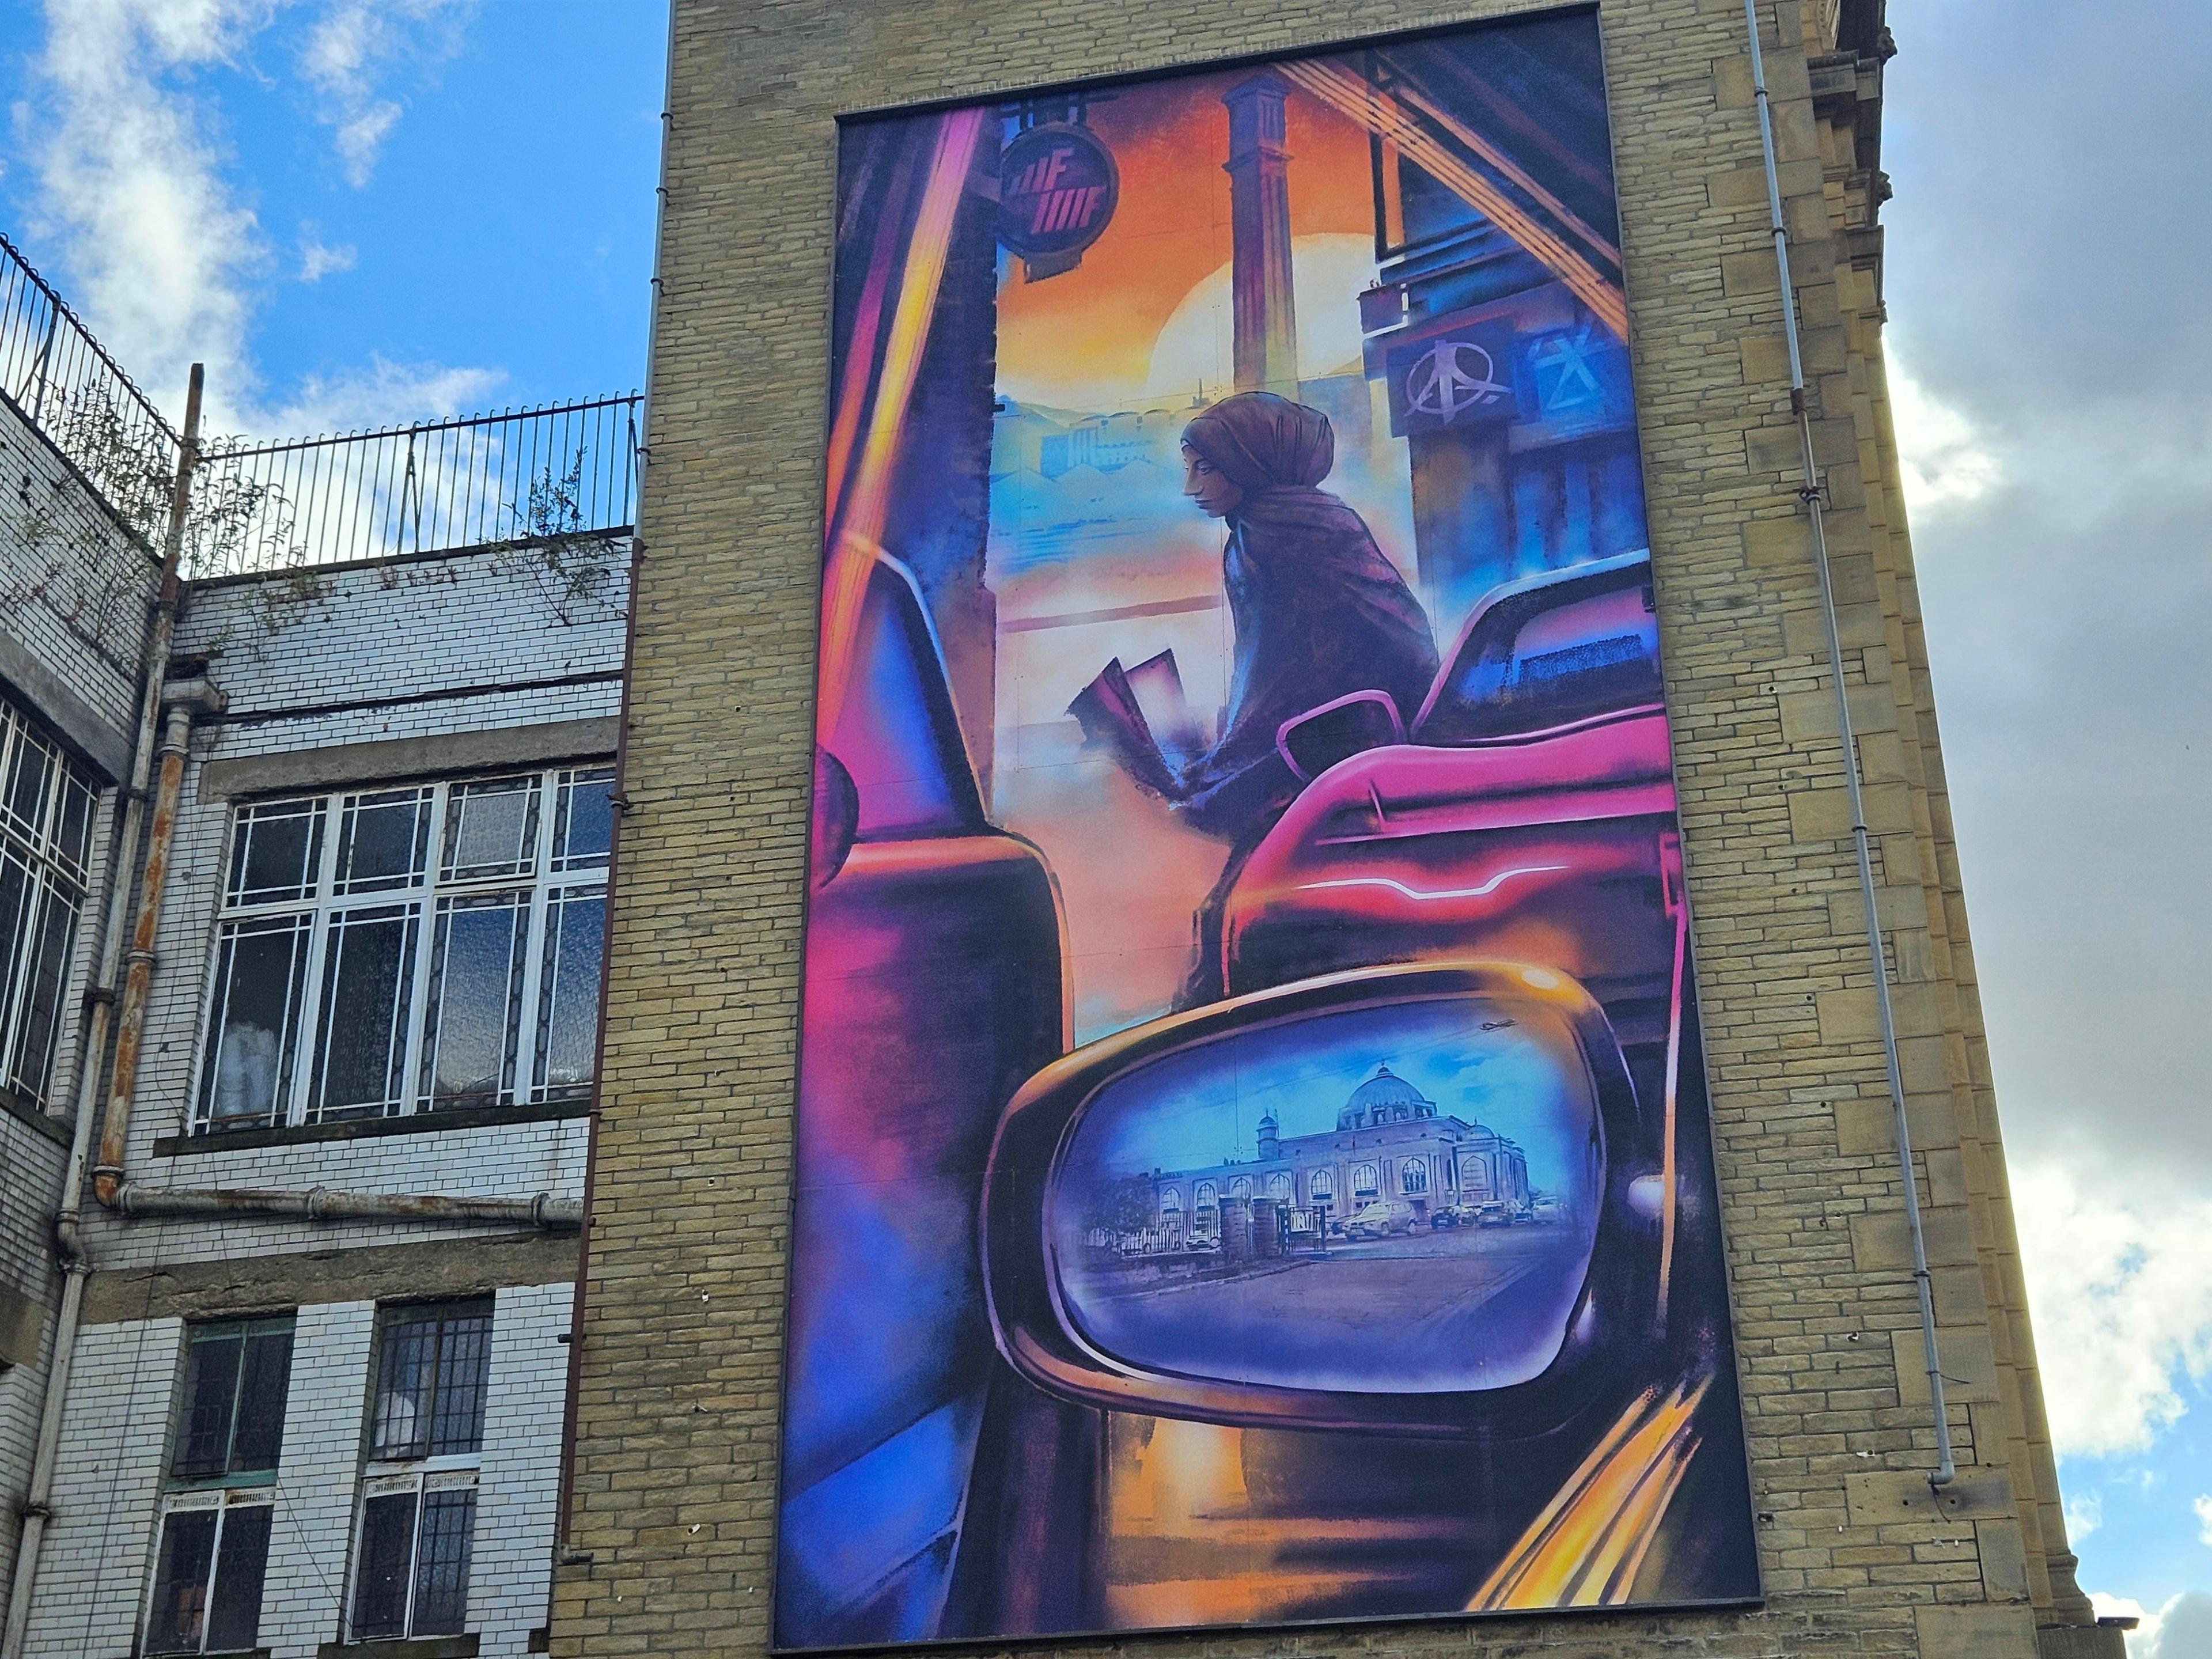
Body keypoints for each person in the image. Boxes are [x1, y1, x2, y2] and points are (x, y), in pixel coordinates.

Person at [1164, 391, 1438, 1005]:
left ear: (1253, 459)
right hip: (1307, 755)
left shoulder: (1302, 531)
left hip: (1331, 757)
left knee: (1240, 929)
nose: (1191, 488)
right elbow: (1271, 667)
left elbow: (1401, 638)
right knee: (1231, 926)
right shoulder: (1253, 532)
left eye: (1205, 467)